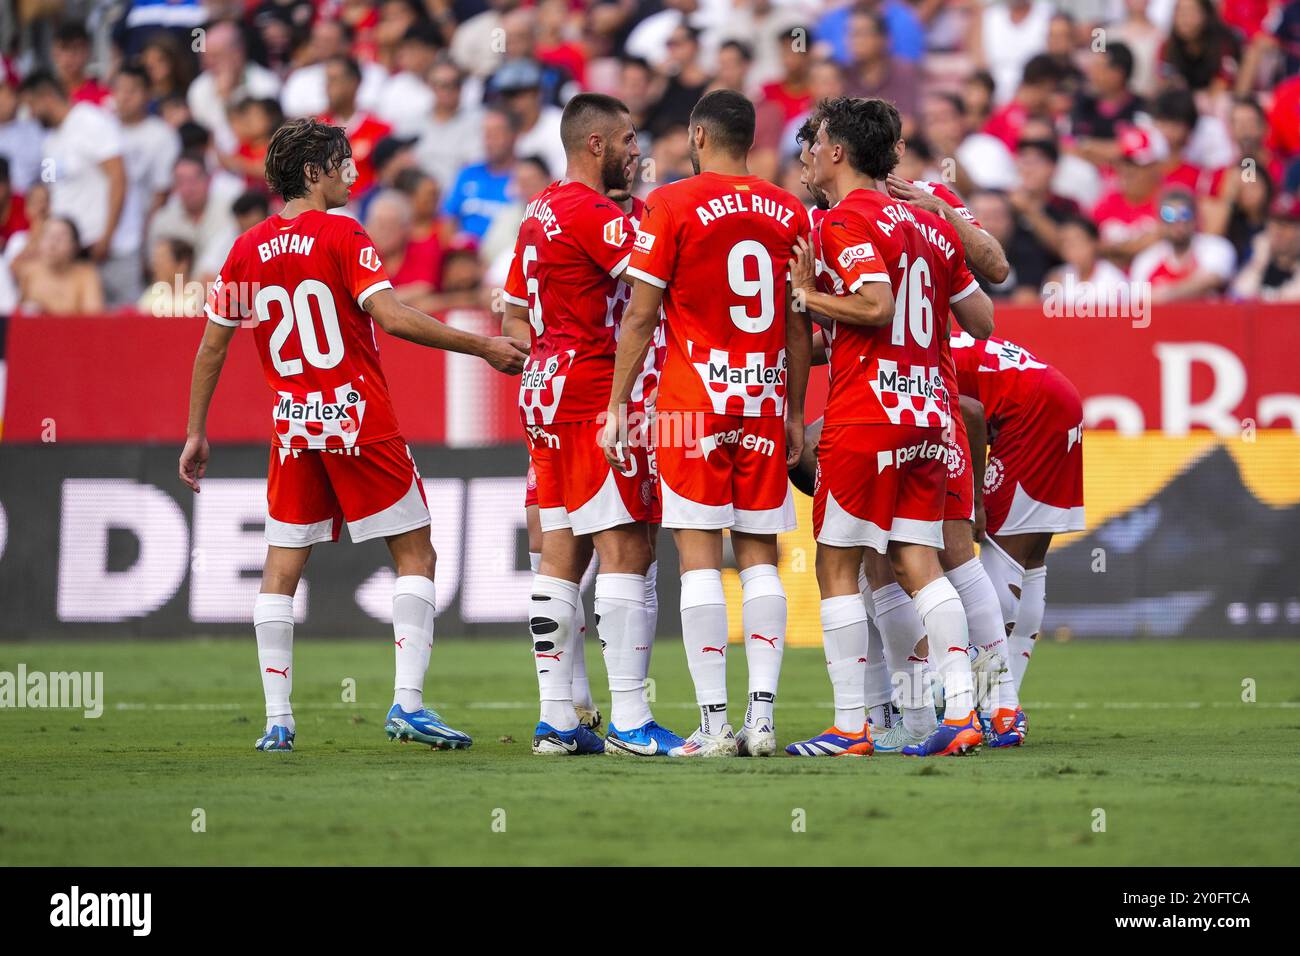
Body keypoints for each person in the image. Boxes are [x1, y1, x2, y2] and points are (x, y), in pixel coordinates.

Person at [178, 118, 527, 753]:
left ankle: (278, 721)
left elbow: (211, 346)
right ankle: (408, 705)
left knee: (281, 568)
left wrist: (196, 431)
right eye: (341, 164)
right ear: (312, 173)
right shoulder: (343, 232)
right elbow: (390, 316)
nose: (352, 174)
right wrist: (482, 347)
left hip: (292, 426)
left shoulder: (245, 248)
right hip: (357, 417)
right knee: (416, 557)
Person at [604, 90, 812, 758]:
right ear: (749, 138)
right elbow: (799, 320)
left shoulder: (668, 203)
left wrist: (616, 403)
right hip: (762, 401)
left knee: (698, 558)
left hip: (690, 404)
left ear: (698, 135)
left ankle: (714, 724)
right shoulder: (789, 209)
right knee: (759, 559)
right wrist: (797, 412)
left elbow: (640, 316)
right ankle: (764, 721)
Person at [787, 96, 995, 758]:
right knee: (918, 561)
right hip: (931, 412)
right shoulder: (929, 225)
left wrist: (806, 297)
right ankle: (963, 712)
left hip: (868, 414)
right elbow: (982, 319)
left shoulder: (843, 221)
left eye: (815, 144)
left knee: (836, 564)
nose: (810, 155)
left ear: (839, 152)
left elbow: (874, 306)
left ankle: (853, 726)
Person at [502, 93, 681, 757]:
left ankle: (557, 720)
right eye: (630, 139)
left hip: (545, 388)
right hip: (591, 388)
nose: (639, 152)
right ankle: (632, 722)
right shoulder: (591, 213)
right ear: (597, 144)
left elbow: (515, 312)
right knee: (626, 546)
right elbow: (657, 282)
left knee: (560, 550)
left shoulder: (539, 209)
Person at [952, 333, 1084, 696]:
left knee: (1001, 551)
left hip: (1033, 412)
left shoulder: (912, 359)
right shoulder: (932, 340)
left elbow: (972, 413)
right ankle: (1005, 703)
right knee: (1030, 561)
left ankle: (987, 702)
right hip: (1059, 397)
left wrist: (976, 496)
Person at [18, 72, 126, 270]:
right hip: (70, 253)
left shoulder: (90, 121)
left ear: (47, 96)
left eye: (32, 105)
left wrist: (108, 236)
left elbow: (118, 177)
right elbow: (50, 193)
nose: (31, 114)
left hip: (106, 246)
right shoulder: (48, 142)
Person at [1130, 188, 1236, 302]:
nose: (1177, 223)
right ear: (1159, 222)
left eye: (1184, 214)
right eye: (1168, 215)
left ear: (1196, 218)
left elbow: (1211, 280)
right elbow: (1139, 300)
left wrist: (1167, 294)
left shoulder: (1216, 247)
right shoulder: (1146, 260)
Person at [14, 215, 104, 315]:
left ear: (75, 246)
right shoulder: (28, 272)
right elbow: (17, 315)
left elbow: (93, 317)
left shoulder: (86, 274)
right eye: (48, 236)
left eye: (60, 238)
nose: (52, 244)